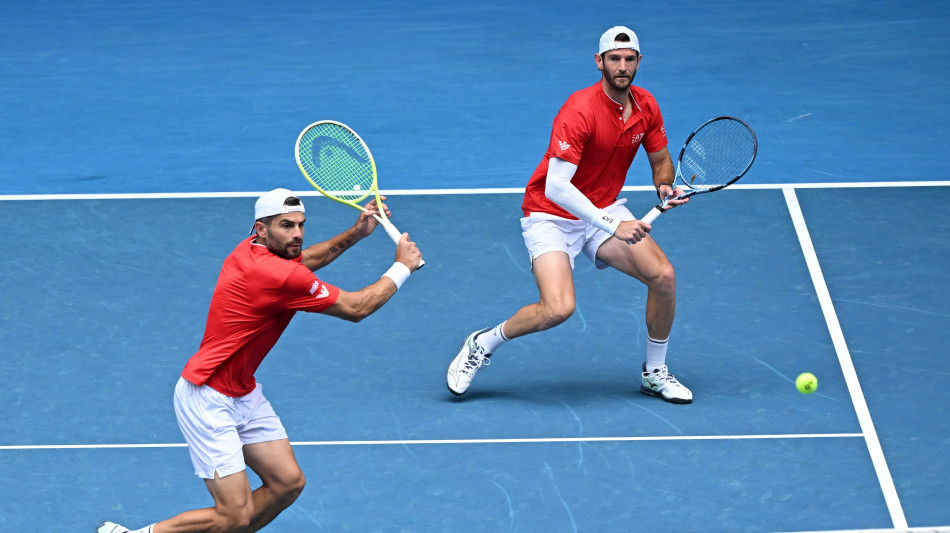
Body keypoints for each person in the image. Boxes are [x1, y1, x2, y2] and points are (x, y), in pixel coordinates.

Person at [98, 188, 423, 533]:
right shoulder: (277, 276)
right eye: (286, 226)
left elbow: (306, 259)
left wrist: (356, 233)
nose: (297, 234)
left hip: (243, 392)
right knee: (233, 515)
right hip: (207, 398)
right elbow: (357, 308)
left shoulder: (251, 250)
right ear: (262, 228)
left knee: (287, 484)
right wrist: (402, 266)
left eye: (300, 224)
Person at [446, 26, 693, 404]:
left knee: (664, 277)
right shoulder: (579, 110)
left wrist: (664, 185)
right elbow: (557, 187)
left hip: (601, 207)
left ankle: (654, 373)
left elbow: (660, 158)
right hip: (551, 215)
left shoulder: (646, 106)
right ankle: (483, 342)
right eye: (614, 58)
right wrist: (614, 223)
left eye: (629, 59)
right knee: (557, 309)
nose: (622, 66)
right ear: (599, 62)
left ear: (639, 62)